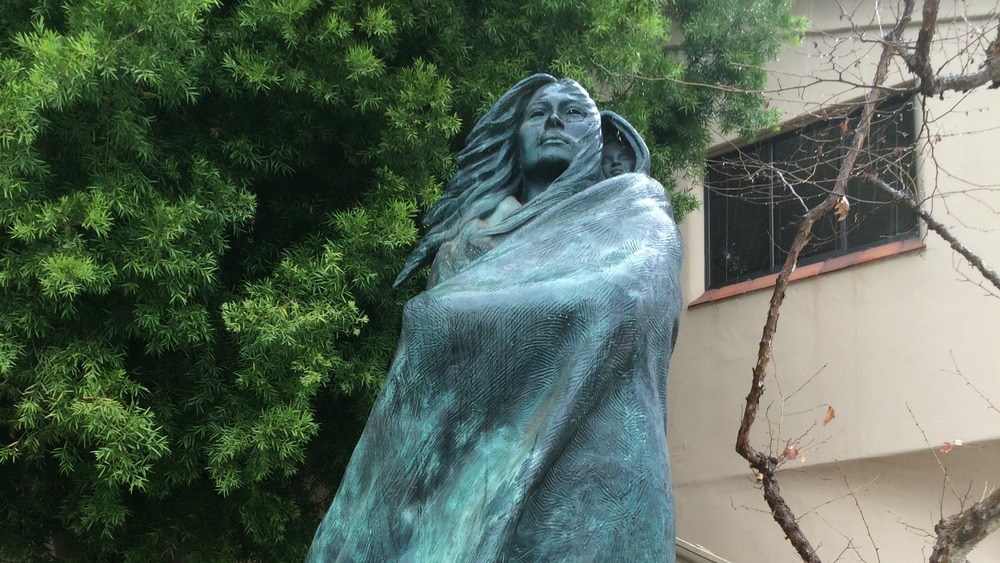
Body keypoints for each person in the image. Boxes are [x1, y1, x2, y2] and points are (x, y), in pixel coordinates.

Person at [306, 75, 682, 562]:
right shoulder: (464, 247)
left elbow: (625, 298)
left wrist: (446, 314)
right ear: (513, 141)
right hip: (464, 478)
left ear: (599, 139)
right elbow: (425, 390)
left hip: (594, 469)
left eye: (572, 113)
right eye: (537, 113)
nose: (552, 121)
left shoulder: (633, 211)